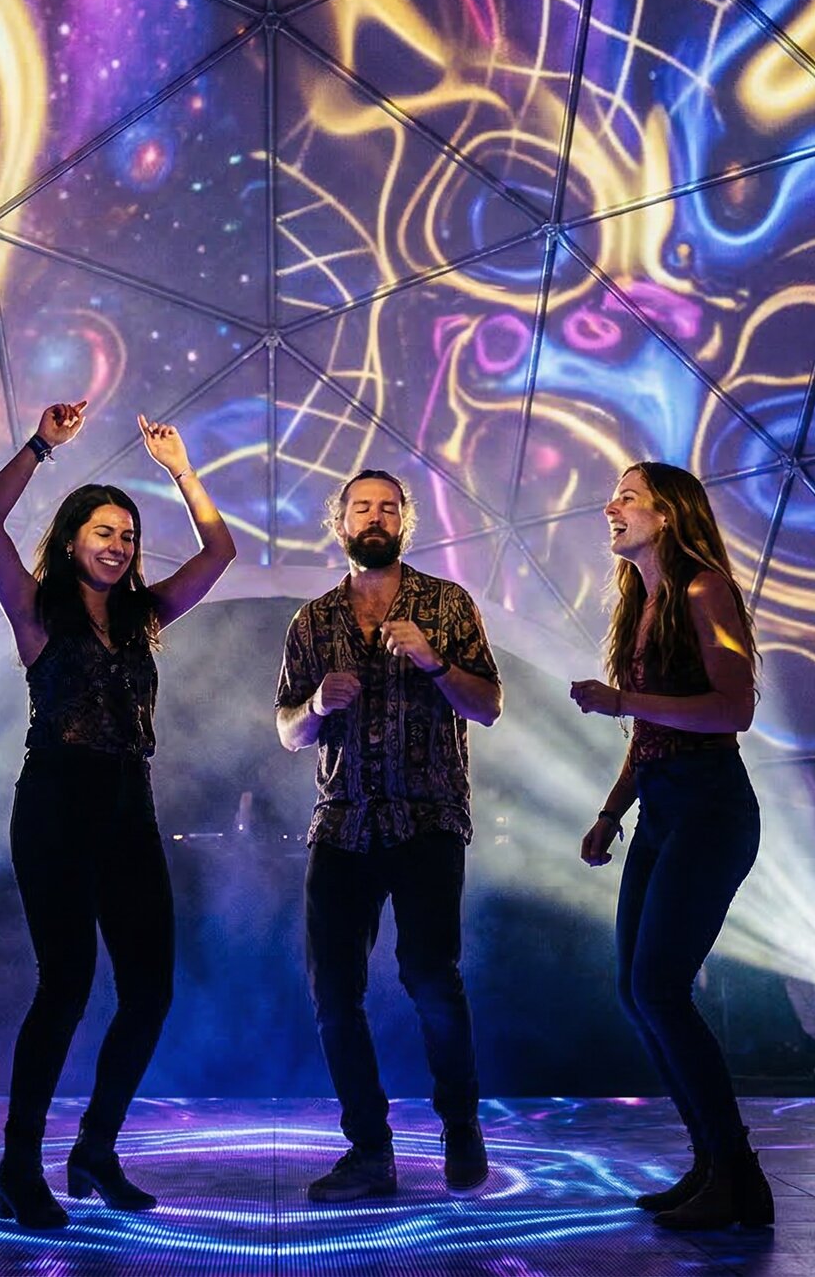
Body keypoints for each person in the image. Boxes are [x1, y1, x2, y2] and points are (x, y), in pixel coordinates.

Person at [0, 400, 237, 1228]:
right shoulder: (36, 609)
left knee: (149, 990)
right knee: (66, 986)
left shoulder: (142, 617)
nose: (118, 546)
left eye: (127, 534)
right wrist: (41, 446)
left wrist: (183, 473)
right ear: (73, 537)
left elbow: (220, 550)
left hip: (129, 807)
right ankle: (19, 1169)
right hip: (54, 804)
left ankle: (95, 1149)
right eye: (103, 532)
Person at [274, 470, 503, 1202]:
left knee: (430, 977)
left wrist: (436, 663)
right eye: (361, 507)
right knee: (332, 992)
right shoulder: (310, 622)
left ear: (405, 522)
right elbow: (286, 730)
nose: (374, 517)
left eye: (387, 508)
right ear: (338, 521)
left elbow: (490, 705)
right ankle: (370, 1149)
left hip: (428, 818)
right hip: (341, 823)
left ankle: (460, 1124)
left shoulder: (447, 603)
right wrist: (314, 704)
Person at [569, 461, 772, 1231]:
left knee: (659, 988)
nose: (610, 506)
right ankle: (713, 1166)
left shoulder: (702, 590)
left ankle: (738, 1175)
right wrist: (611, 812)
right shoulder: (644, 602)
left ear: (670, 514)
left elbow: (731, 709)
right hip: (660, 807)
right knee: (635, 988)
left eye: (627, 497)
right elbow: (652, 731)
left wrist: (621, 699)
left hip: (711, 807)